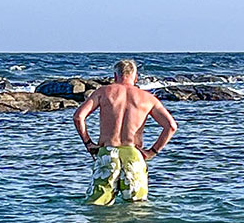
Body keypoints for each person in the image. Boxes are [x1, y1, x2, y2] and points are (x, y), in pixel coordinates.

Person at [72, 59, 178, 205]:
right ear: (135, 78)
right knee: (136, 207)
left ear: (115, 76)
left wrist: (88, 143)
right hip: (133, 153)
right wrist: (152, 151)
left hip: (108, 153)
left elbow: (79, 117)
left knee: (97, 204)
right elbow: (171, 126)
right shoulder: (148, 98)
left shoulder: (103, 92)